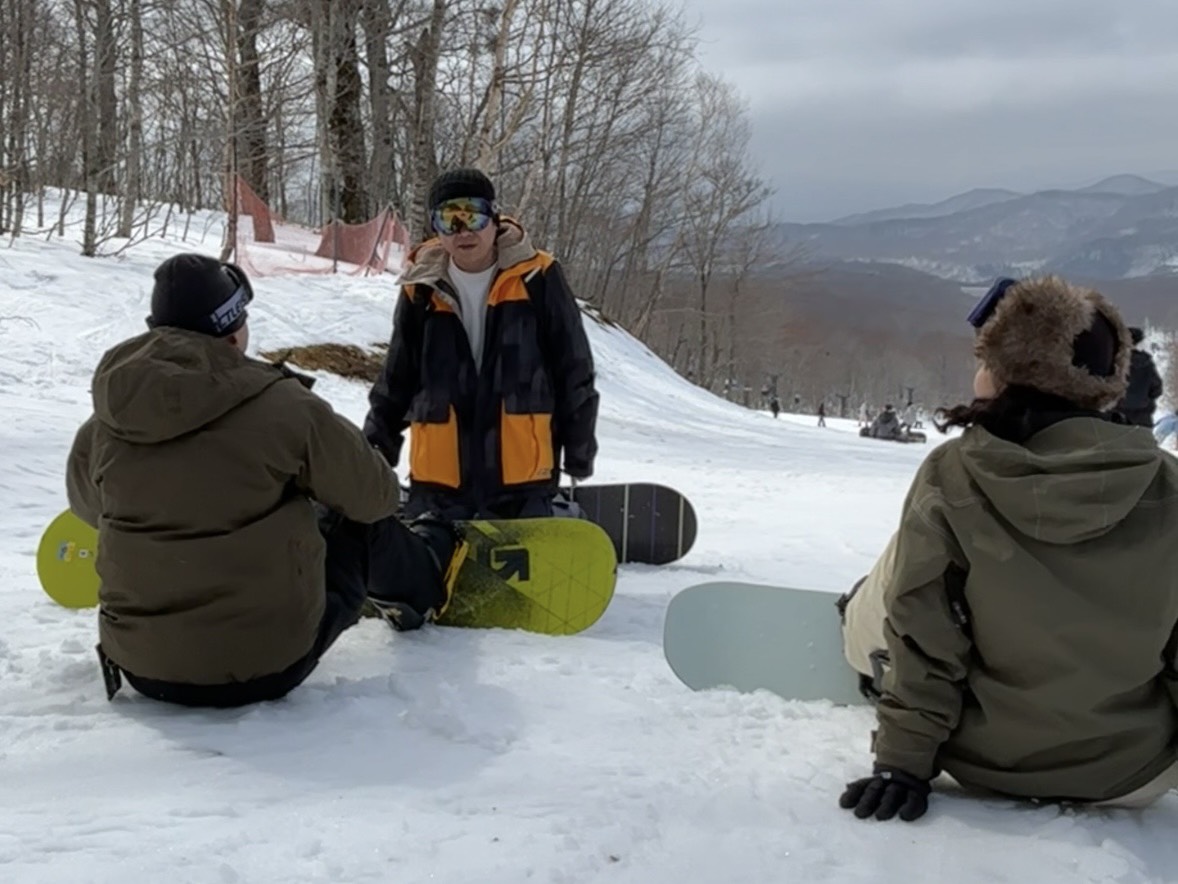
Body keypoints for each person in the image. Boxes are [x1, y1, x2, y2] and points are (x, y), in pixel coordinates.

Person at [835, 275, 1178, 823]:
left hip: (985, 764)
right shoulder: (1167, 483)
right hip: (1132, 773)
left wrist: (902, 764)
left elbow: (927, 637)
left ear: (1003, 370)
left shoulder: (955, 472)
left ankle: (856, 620)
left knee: (908, 570)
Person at [66, 254, 467, 708]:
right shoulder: (283, 407)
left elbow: (86, 508)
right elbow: (375, 495)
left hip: (141, 666)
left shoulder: (107, 419)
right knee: (349, 511)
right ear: (234, 329)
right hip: (266, 664)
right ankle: (424, 583)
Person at [365, 168, 599, 520]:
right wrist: (372, 453)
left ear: (493, 215)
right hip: (439, 480)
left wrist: (578, 451)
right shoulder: (420, 289)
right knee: (433, 573)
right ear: (435, 228)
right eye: (449, 220)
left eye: (471, 215)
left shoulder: (538, 277)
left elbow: (573, 368)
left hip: (522, 475)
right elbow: (397, 380)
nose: (463, 231)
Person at [1114, 326, 1163, 428]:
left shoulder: (1113, 363)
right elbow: (1157, 389)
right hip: (1142, 418)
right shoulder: (1146, 363)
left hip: (1115, 417)